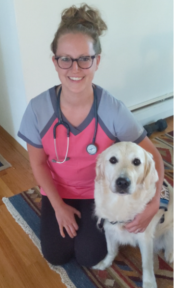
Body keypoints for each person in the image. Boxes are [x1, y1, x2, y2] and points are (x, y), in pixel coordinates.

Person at [18, 4, 164, 267]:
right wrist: (59, 207)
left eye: (85, 58)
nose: (75, 69)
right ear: (55, 61)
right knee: (56, 254)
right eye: (66, 59)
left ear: (97, 61)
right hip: (59, 190)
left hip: (100, 192)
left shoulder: (112, 108)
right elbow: (38, 164)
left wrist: (153, 204)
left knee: (90, 256)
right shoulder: (37, 109)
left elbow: (154, 157)